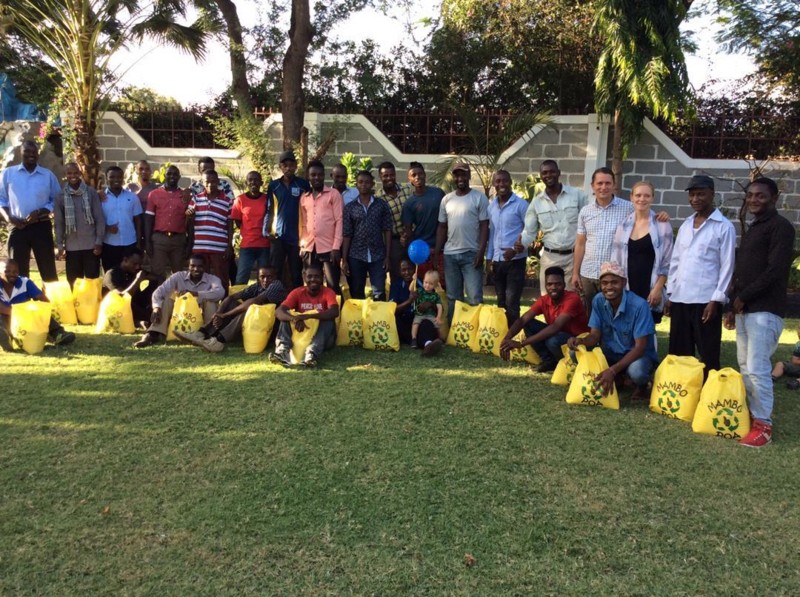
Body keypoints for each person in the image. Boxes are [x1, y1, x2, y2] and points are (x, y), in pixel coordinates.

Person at [724, 177, 796, 447]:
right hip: (745, 310)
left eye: (760, 196)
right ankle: (752, 416)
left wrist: (743, 297)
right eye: (751, 195)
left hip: (765, 311)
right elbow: (743, 272)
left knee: (757, 368)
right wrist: (734, 305)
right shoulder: (755, 227)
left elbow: (775, 271)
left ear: (774, 198)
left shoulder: (781, 227)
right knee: (745, 366)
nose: (754, 200)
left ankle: (763, 426)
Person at [667, 174, 736, 375]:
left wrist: (716, 300)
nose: (695, 199)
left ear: (712, 195)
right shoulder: (687, 224)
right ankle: (682, 393)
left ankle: (707, 394)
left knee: (708, 352)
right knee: (679, 352)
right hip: (681, 298)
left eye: (700, 194)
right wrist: (671, 293)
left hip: (706, 301)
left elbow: (727, 267)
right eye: (692, 195)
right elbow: (676, 261)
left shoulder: (724, 227)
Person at [567, 261, 659, 400]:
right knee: (575, 351)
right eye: (604, 283)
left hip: (636, 355)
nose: (609, 287)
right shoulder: (598, 300)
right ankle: (620, 378)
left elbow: (640, 348)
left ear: (623, 283)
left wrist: (612, 370)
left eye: (614, 282)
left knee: (637, 372)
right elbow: (594, 336)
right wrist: (580, 341)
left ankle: (642, 385)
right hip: (611, 353)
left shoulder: (639, 305)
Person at [175, 266, 288, 352]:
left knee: (251, 309)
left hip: (272, 326)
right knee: (232, 302)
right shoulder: (258, 286)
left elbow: (255, 301)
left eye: (269, 277)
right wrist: (219, 313)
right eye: (262, 277)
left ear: (275, 278)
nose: (265, 280)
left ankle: (218, 341)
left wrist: (226, 315)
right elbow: (232, 297)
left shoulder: (276, 285)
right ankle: (202, 333)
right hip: (255, 324)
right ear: (258, 277)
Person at [500, 266, 590, 372]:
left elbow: (556, 327)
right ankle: (549, 361)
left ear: (564, 285)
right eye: (549, 284)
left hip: (576, 339)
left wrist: (521, 344)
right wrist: (507, 339)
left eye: (558, 284)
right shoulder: (544, 300)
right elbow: (523, 319)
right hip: (558, 333)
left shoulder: (572, 299)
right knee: (529, 323)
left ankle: (564, 362)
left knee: (552, 341)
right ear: (545, 286)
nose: (553, 287)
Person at [517, 160, 588, 293]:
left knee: (572, 299)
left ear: (559, 173)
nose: (548, 175)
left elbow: (589, 222)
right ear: (541, 176)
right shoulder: (536, 202)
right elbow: (529, 232)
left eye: (552, 171)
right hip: (550, 258)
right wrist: (521, 244)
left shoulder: (577, 195)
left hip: (574, 258)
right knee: (548, 299)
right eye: (544, 173)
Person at [571, 167, 632, 315]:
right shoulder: (585, 211)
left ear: (613, 184)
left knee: (614, 315)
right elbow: (580, 243)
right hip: (588, 274)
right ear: (593, 186)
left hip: (613, 275)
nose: (603, 187)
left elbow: (646, 218)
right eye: (599, 183)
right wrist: (575, 272)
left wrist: (660, 216)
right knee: (590, 316)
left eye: (607, 183)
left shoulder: (628, 208)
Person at [610, 180, 673, 323]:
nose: (642, 199)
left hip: (650, 287)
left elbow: (667, 262)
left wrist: (657, 289)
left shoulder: (662, 225)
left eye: (647, 196)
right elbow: (616, 261)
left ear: (652, 198)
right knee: (626, 330)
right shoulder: (623, 226)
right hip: (627, 287)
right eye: (638, 195)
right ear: (631, 197)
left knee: (647, 333)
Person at [434, 162, 489, 321]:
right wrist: (438, 252)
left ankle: (475, 329)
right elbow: (442, 228)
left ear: (469, 176)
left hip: (472, 254)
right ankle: (454, 330)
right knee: (453, 297)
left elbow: (485, 227)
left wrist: (481, 251)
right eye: (457, 175)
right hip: (450, 255)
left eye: (463, 174)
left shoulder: (479, 198)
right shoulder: (446, 200)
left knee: (474, 297)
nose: (460, 178)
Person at [0, 140, 61, 282]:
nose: (31, 155)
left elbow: (57, 200)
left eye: (34, 152)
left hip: (41, 226)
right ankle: (22, 301)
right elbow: (1, 199)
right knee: (17, 270)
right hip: (17, 226)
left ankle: (52, 301)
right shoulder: (8, 174)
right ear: (21, 152)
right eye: (27, 151)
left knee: (48, 269)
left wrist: (42, 211)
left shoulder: (48, 175)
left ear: (38, 154)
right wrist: (8, 217)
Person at [133, 254, 225, 348]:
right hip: (180, 315)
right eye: (193, 266)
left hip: (202, 315)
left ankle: (209, 334)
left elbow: (220, 292)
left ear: (205, 267)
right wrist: (156, 307)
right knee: (167, 300)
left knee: (211, 302)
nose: (196, 269)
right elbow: (159, 292)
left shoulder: (212, 279)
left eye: (200, 266)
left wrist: (195, 294)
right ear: (188, 266)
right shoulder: (178, 276)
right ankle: (153, 334)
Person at [269, 265, 340, 368]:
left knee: (328, 321)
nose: (313, 279)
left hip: (323, 339)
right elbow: (279, 311)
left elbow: (334, 311)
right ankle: (282, 352)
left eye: (317, 276)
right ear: (304, 277)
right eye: (310, 276)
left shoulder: (328, 292)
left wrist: (308, 316)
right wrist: (294, 319)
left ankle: (311, 355)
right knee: (285, 319)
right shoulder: (297, 292)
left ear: (322, 277)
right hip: (301, 333)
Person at [0, 258, 75, 350]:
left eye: (15, 271)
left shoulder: (25, 282)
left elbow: (44, 301)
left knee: (41, 310)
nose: (12, 274)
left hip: (26, 319)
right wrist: (20, 313)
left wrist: (38, 311)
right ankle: (6, 337)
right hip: (7, 316)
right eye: (7, 271)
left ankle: (58, 334)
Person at [341, 170, 393, 300]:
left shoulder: (381, 205)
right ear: (356, 184)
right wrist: (345, 259)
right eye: (360, 182)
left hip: (378, 256)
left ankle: (377, 320)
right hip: (356, 256)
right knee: (356, 291)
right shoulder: (350, 208)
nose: (364, 185)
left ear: (372, 184)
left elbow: (387, 230)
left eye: (367, 182)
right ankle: (359, 319)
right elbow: (347, 234)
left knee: (379, 293)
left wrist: (387, 256)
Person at [487, 169, 528, 326]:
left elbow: (529, 230)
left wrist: (516, 248)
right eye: (498, 181)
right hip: (498, 260)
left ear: (510, 182)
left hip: (515, 261)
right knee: (501, 301)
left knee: (512, 301)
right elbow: (492, 235)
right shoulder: (492, 207)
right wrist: (489, 258)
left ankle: (513, 336)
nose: (501, 184)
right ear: (494, 184)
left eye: (505, 180)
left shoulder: (521, 205)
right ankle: (501, 333)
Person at [54, 162, 105, 287]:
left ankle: (92, 306)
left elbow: (99, 218)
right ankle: (76, 306)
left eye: (76, 173)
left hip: (91, 246)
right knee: (74, 283)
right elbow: (59, 223)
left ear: (80, 173)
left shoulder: (91, 192)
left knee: (92, 283)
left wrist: (99, 241)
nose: (73, 176)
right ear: (65, 175)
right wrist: (60, 245)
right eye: (69, 173)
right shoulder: (60, 196)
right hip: (72, 247)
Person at [267, 151, 311, 288]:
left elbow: (309, 209)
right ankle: (275, 301)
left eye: (291, 165)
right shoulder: (274, 186)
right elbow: (269, 209)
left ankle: (297, 302)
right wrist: (267, 230)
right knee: (276, 271)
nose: (288, 168)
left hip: (296, 237)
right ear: (280, 166)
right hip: (278, 236)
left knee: (296, 272)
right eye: (285, 165)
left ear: (296, 166)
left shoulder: (303, 185)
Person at [299, 160, 344, 293]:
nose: (316, 178)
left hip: (329, 248)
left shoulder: (333, 194)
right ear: (308, 177)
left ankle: (335, 312)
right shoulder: (304, 197)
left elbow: (339, 220)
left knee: (332, 284)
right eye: (313, 175)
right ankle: (314, 312)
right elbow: (303, 224)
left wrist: (336, 247)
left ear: (324, 176)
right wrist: (302, 246)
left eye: (319, 175)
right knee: (312, 284)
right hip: (309, 248)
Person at [187, 169, 233, 289]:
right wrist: (189, 215)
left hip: (219, 247)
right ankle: (203, 306)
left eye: (213, 182)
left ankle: (224, 306)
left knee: (221, 279)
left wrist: (229, 245)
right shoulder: (196, 199)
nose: (210, 185)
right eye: (207, 182)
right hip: (200, 247)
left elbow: (229, 225)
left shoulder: (227, 201)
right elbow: (189, 222)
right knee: (200, 279)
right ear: (202, 182)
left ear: (218, 181)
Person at [401, 162, 446, 283]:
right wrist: (405, 240)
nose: (417, 177)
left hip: (441, 248)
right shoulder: (409, 204)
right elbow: (408, 231)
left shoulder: (438, 194)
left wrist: (437, 251)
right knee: (425, 286)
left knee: (441, 285)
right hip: (421, 251)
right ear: (409, 179)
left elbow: (447, 220)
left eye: (420, 173)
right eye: (413, 175)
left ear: (425, 175)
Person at [144, 165, 189, 279]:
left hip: (178, 240)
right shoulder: (154, 194)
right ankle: (156, 296)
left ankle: (177, 297)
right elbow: (149, 219)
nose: (172, 176)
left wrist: (189, 244)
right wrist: (148, 242)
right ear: (164, 176)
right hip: (159, 239)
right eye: (169, 174)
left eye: (175, 174)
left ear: (179, 177)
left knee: (179, 275)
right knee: (157, 272)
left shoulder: (185, 196)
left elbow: (190, 221)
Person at [231, 171, 271, 284]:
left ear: (261, 182)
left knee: (264, 278)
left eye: (256, 180)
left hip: (264, 245)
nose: (253, 182)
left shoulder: (267, 199)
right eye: (250, 180)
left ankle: (263, 300)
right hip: (247, 245)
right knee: (241, 277)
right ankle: (239, 301)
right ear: (246, 182)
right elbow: (238, 221)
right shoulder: (240, 200)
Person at [101, 165, 143, 272]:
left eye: (119, 177)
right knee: (110, 274)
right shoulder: (100, 198)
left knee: (131, 274)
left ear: (123, 178)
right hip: (109, 243)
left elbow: (138, 220)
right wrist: (107, 227)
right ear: (107, 178)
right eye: (112, 177)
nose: (116, 180)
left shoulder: (132, 197)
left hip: (129, 243)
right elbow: (96, 219)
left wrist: (138, 242)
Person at [375, 161, 411, 282]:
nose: (389, 178)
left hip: (411, 237)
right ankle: (398, 300)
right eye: (385, 176)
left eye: (392, 175)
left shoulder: (406, 190)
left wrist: (408, 233)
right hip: (394, 242)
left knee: (414, 272)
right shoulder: (378, 198)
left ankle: (416, 299)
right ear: (380, 177)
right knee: (397, 273)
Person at [102, 247, 156, 327]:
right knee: (130, 305)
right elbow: (121, 298)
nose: (137, 267)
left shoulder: (135, 271)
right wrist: (137, 280)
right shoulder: (112, 274)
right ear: (125, 260)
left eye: (139, 264)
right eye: (134, 264)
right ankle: (144, 319)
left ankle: (143, 320)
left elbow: (156, 278)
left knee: (153, 287)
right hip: (116, 310)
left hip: (133, 306)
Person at [389, 258, 419, 344]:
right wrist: (409, 301)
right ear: (399, 271)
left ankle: (427, 342)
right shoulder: (396, 285)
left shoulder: (422, 283)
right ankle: (414, 340)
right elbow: (391, 310)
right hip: (402, 319)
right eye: (403, 270)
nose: (407, 272)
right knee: (395, 320)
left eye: (410, 269)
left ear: (414, 269)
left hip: (417, 319)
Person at [412, 269, 443, 346]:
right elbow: (411, 289)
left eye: (431, 284)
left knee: (437, 326)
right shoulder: (420, 291)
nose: (427, 285)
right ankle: (414, 339)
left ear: (435, 285)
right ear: (423, 281)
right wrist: (413, 280)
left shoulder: (435, 295)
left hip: (430, 315)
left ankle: (440, 339)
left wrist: (438, 317)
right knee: (415, 323)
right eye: (425, 282)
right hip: (420, 314)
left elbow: (439, 307)